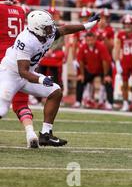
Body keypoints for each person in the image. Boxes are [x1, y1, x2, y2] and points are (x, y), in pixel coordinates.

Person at [0, 8, 101, 146]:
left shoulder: (45, 33)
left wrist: (87, 25)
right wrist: (42, 79)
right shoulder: (26, 40)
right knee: (2, 110)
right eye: (47, 27)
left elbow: (64, 30)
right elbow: (22, 71)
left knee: (55, 91)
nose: (51, 29)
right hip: (10, 74)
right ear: (37, 28)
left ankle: (46, 134)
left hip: (27, 74)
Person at [0, 0, 37, 148]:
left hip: (3, 60)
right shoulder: (22, 10)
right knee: (21, 102)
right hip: (20, 60)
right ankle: (30, 133)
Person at [114, 15, 132, 113]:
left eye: (129, 24)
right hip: (125, 62)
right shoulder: (120, 35)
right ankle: (125, 103)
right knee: (125, 84)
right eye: (125, 24)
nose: (127, 26)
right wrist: (117, 62)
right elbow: (117, 50)